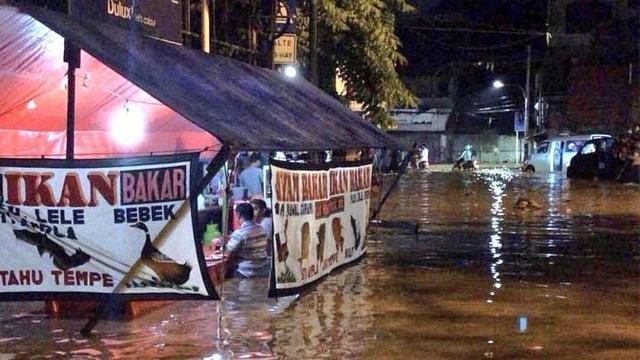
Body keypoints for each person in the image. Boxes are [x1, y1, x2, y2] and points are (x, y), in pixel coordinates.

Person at [224, 203, 270, 278]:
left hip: (246, 272)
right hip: (264, 270)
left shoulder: (240, 233)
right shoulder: (262, 229)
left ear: (238, 215)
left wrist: (225, 244)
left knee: (226, 274)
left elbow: (227, 253)